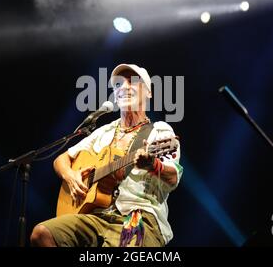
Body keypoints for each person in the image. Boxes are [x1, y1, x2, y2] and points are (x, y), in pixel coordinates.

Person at [30, 63, 183, 247]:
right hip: (96, 216)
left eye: (132, 82)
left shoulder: (160, 132)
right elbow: (61, 159)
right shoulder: (104, 131)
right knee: (42, 234)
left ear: (148, 93)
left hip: (138, 216)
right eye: (118, 85)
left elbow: (173, 177)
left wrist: (152, 165)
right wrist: (71, 177)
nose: (124, 87)